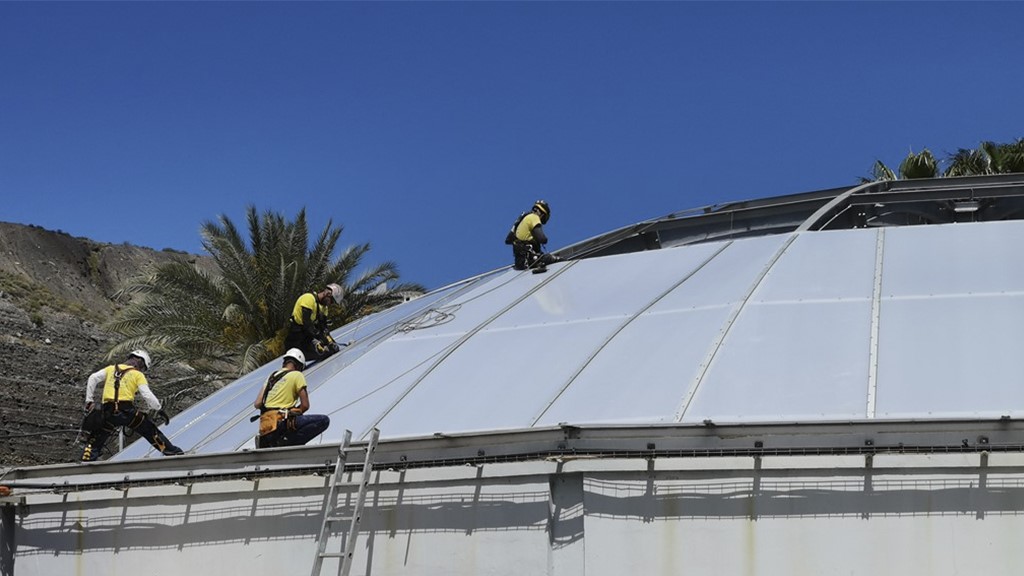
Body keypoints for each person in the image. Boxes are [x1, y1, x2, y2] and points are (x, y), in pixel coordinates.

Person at [80, 349, 184, 461]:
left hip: (108, 413)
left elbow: (93, 378)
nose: (142, 370)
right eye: (143, 367)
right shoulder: (137, 374)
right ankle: (173, 453)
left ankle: (87, 461)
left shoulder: (111, 369)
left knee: (96, 436)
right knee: (149, 430)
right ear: (140, 361)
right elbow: (147, 394)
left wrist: (89, 401)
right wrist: (159, 409)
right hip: (127, 412)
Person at [254, 348, 330, 448]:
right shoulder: (297, 375)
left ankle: (271, 442)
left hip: (266, 427)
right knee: (323, 420)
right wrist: (293, 412)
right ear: (298, 366)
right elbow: (305, 405)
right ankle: (285, 443)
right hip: (281, 425)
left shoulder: (272, 376)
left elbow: (257, 403)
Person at [285, 283, 349, 363]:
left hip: (306, 338)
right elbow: (307, 323)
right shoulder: (308, 298)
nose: (330, 304)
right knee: (317, 354)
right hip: (295, 340)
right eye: (331, 301)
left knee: (328, 352)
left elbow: (323, 327)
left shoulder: (324, 308)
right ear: (328, 294)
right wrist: (317, 340)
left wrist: (331, 342)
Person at [506, 200, 558, 271]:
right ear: (542, 214)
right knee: (554, 259)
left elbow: (508, 240)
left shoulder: (522, 220)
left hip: (520, 262)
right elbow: (542, 238)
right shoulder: (534, 217)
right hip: (530, 259)